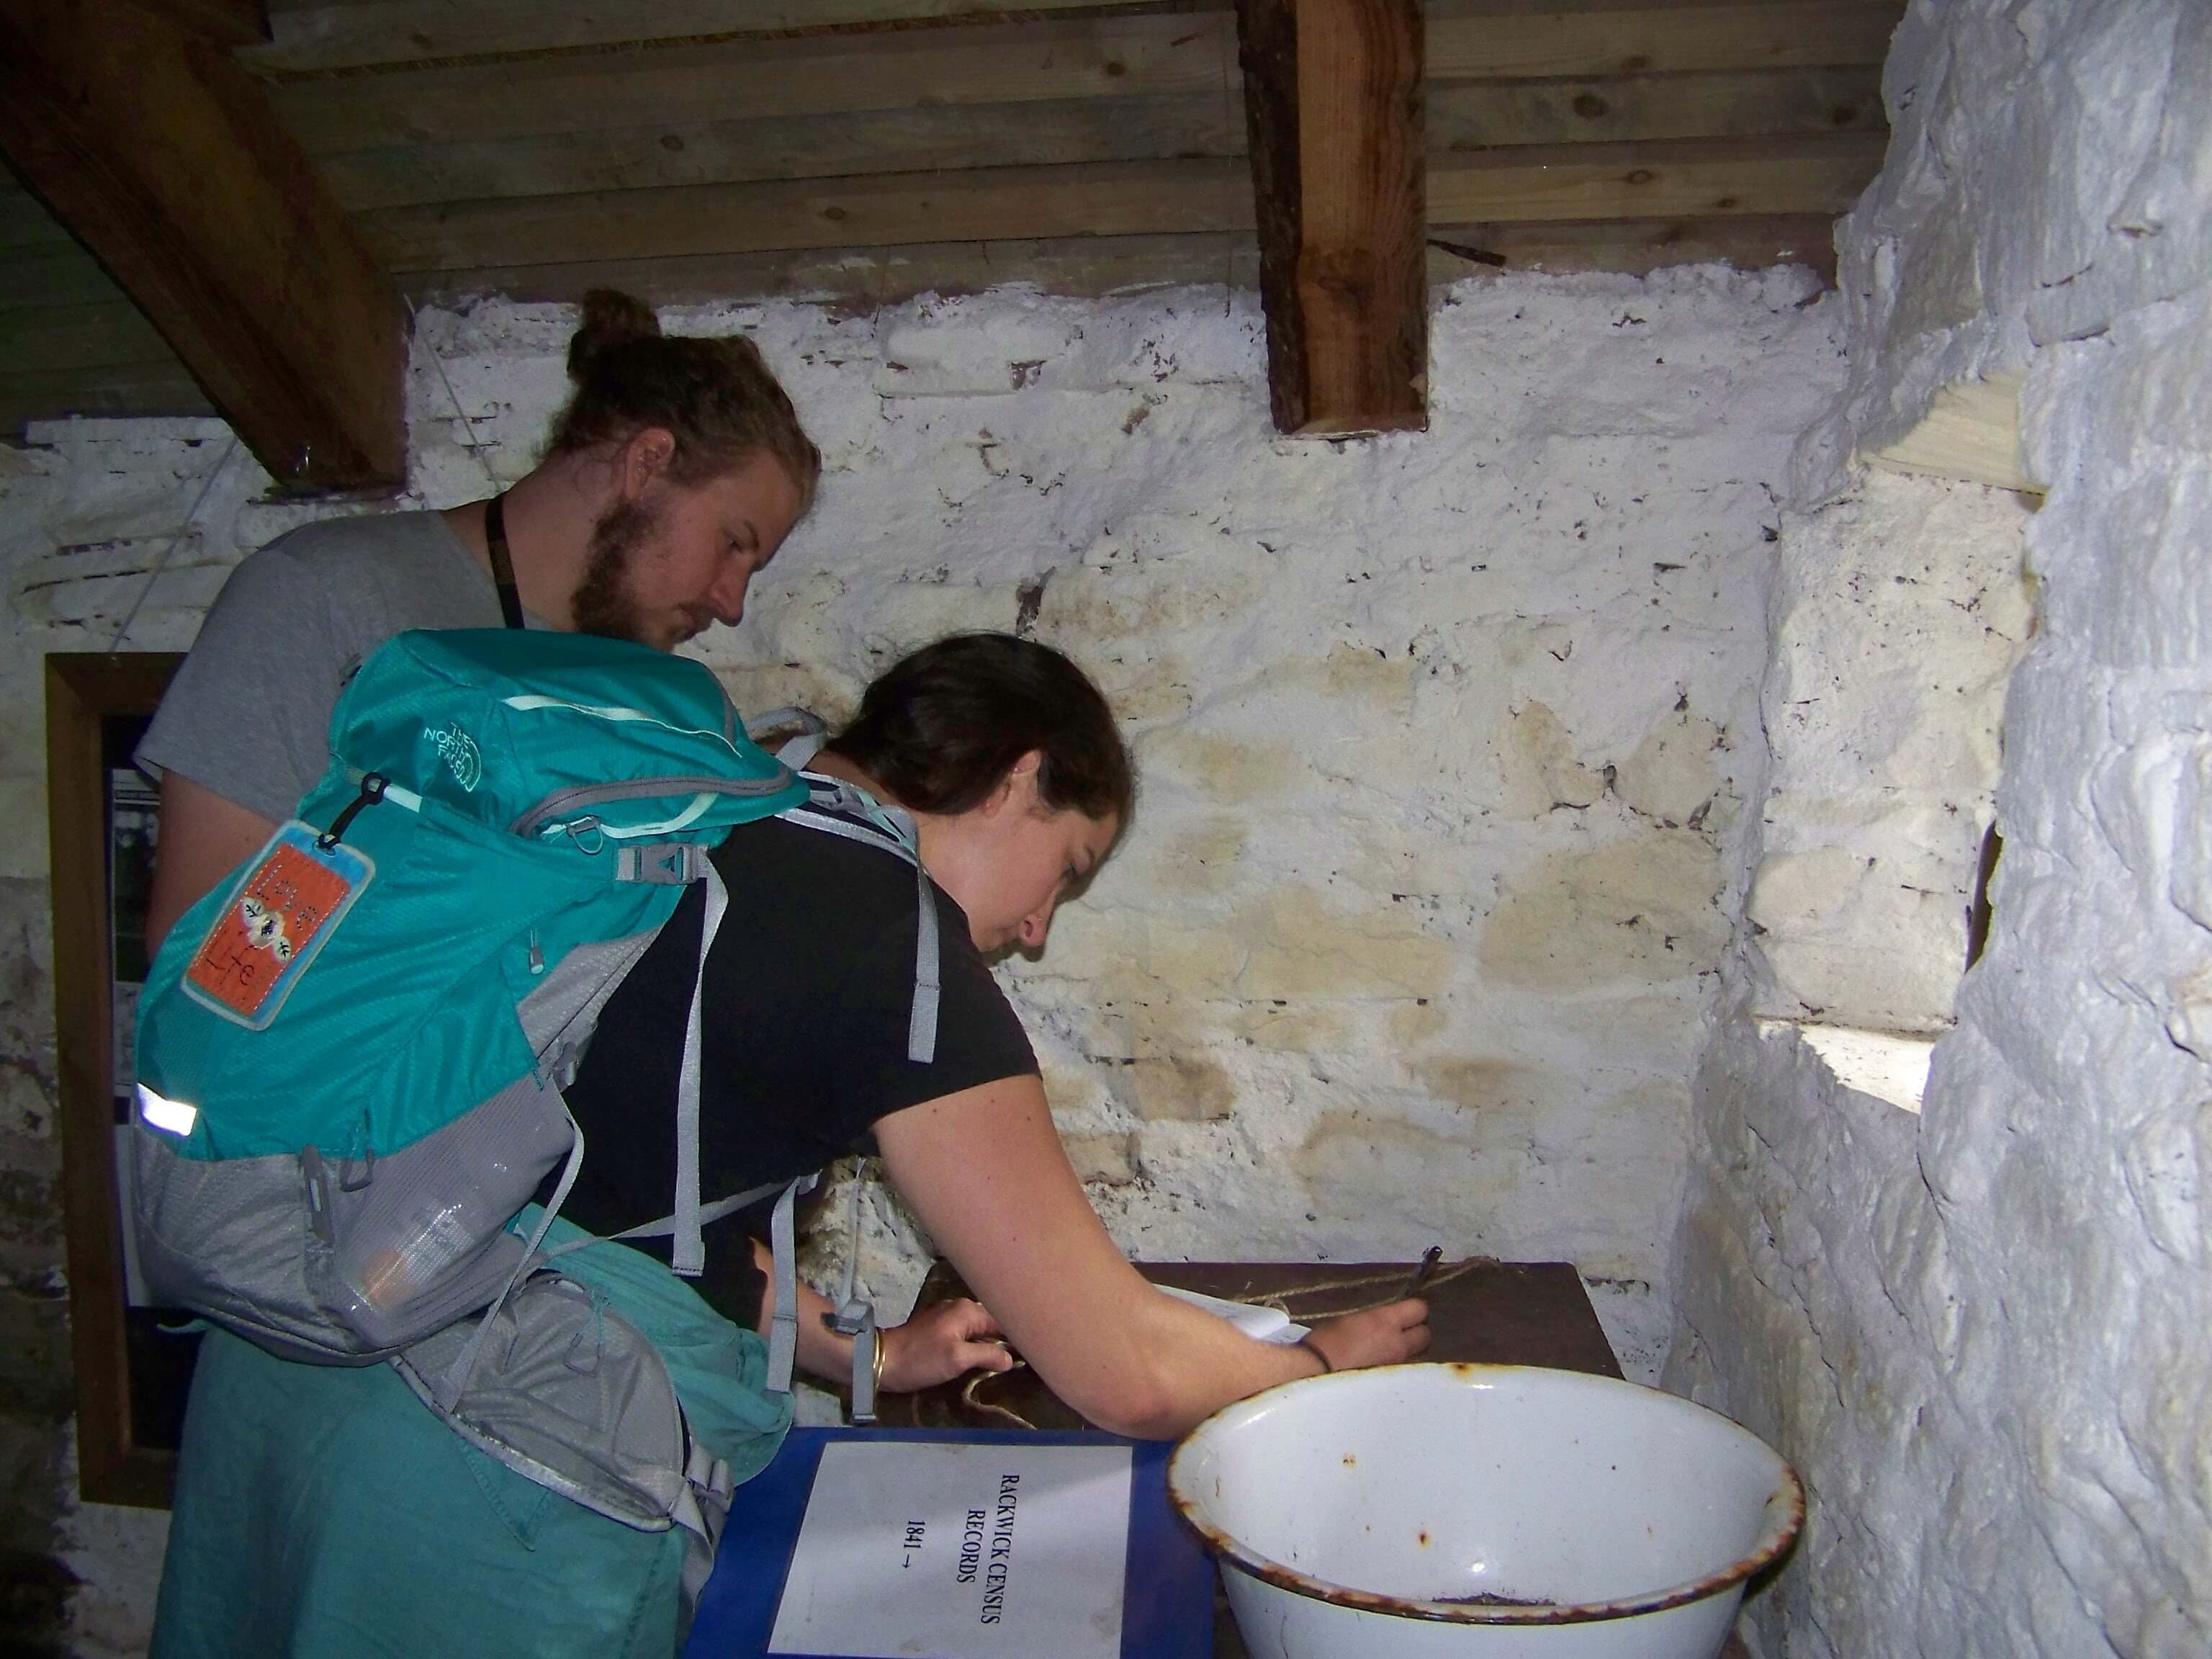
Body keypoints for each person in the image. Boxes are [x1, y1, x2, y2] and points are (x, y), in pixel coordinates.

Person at [148, 634, 1431, 1658]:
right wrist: (1318, 1360)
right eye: (1068, 867)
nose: (1039, 924)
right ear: (1022, 775)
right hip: (476, 1463)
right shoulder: (893, 937)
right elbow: (1121, 1365)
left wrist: (854, 1350)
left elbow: (631, 1170)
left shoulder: (711, 820)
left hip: (301, 1353)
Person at [139, 287, 819, 956]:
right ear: (646, 463)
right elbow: (199, 955)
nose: (731, 604)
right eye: (734, 542)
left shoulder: (640, 699)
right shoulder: (323, 595)